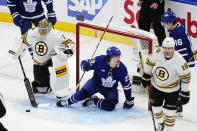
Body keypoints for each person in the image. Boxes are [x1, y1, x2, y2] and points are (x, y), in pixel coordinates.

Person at [8, 19, 75, 98]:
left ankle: (61, 89)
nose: (42, 31)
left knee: (58, 76)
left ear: (49, 28)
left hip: (51, 60)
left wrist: (68, 50)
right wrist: (16, 50)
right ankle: (43, 85)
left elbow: (69, 43)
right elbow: (22, 41)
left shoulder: (56, 35)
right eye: (40, 29)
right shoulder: (31, 32)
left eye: (44, 29)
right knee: (42, 90)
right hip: (38, 61)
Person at [56, 46, 135, 111]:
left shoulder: (122, 69)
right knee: (83, 93)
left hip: (110, 88)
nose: (118, 59)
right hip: (96, 83)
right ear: (109, 58)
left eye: (119, 56)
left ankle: (94, 100)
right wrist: (85, 66)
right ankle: (67, 102)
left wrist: (128, 99)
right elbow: (85, 61)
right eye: (115, 57)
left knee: (110, 106)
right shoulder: (99, 60)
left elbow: (126, 85)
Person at [141, 37, 191, 131]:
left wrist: (185, 92)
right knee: (155, 110)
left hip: (172, 91)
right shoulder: (157, 52)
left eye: (170, 48)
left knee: (170, 114)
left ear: (173, 48)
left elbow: (186, 77)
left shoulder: (180, 61)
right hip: (156, 87)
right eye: (165, 48)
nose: (167, 51)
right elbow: (149, 62)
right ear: (163, 47)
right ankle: (161, 123)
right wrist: (146, 74)